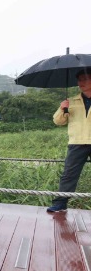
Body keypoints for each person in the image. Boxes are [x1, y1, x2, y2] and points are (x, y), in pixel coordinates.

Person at [47, 68, 91, 213]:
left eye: (85, 79)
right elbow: (58, 121)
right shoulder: (71, 101)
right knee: (69, 174)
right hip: (77, 142)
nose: (81, 83)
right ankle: (60, 203)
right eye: (79, 80)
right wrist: (62, 108)